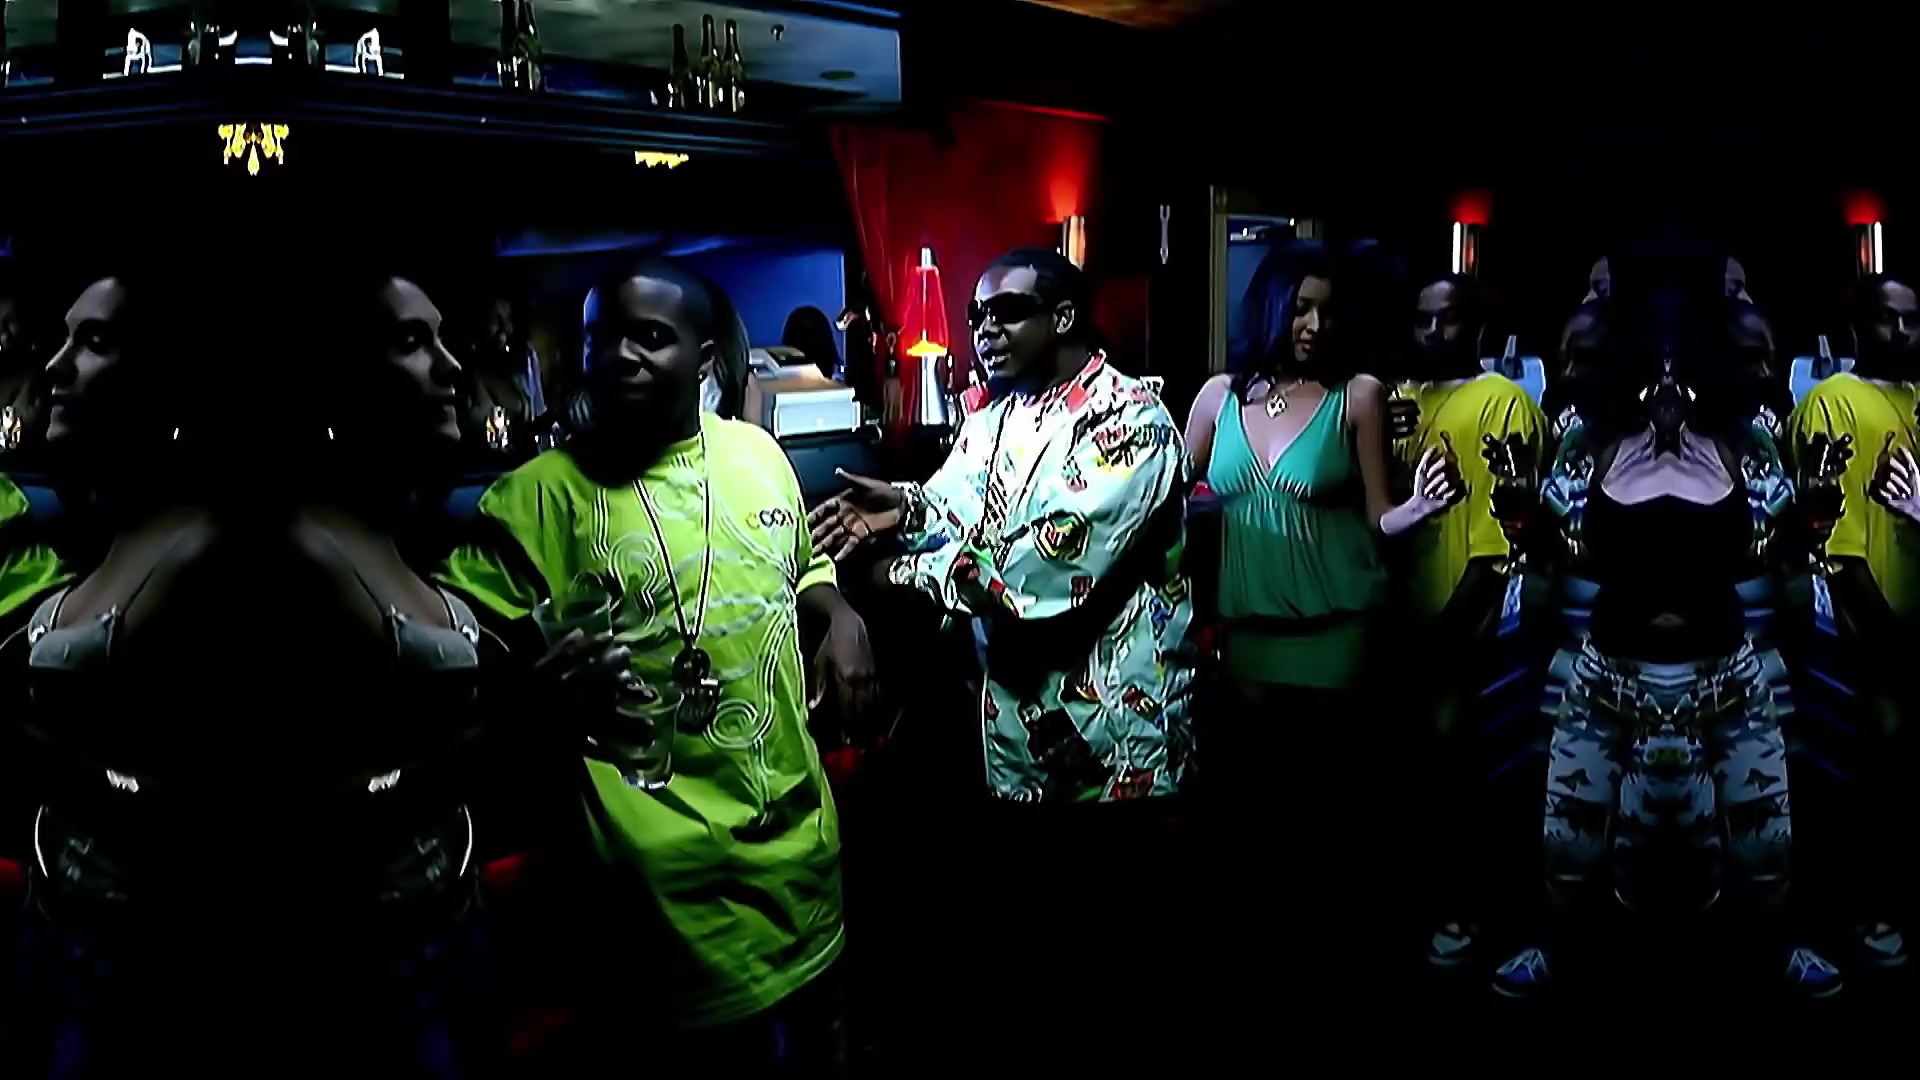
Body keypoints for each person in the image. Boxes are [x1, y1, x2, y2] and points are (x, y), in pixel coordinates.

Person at [8, 261, 531, 1078]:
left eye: (94, 341)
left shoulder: (309, 524)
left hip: (415, 950)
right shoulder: (235, 532)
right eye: (412, 341)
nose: (53, 366)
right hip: (119, 962)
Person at [438, 258, 872, 1076]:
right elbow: (448, 669)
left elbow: (801, 561)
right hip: (656, 913)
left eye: (649, 337)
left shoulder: (756, 454)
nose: (620, 355)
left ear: (703, 360)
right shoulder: (536, 498)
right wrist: (530, 695)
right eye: (600, 338)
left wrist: (838, 611)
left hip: (806, 874)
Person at [808, 247, 1197, 1069]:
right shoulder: (994, 417)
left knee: (1115, 963)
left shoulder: (1131, 419)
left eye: (1007, 312)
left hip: (1110, 745)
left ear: (1063, 317)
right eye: (977, 315)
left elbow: (1038, 572)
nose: (984, 330)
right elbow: (959, 506)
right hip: (1015, 735)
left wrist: (899, 571)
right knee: (1032, 958)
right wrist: (906, 505)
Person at [1492, 253, 1842, 1000]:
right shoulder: (1587, 443)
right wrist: (1525, 520)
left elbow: (1780, 546)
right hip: (1605, 673)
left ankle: (1782, 946)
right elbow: (1553, 545)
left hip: (1728, 674)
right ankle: (1553, 946)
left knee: (1765, 842)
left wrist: (1808, 522)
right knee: (1568, 842)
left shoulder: (1748, 442)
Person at [1182, 240, 1460, 725]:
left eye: (1328, 312)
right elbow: (1169, 497)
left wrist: (1417, 506)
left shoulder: (1357, 395)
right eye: (1301, 309)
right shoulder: (1217, 397)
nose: (1316, 325)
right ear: (1270, 307)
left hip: (1336, 628)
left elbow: (1379, 517)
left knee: (1321, 764)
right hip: (1245, 629)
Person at [1390, 273, 1548, 969]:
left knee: (1465, 773)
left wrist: (1450, 633)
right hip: (1399, 619)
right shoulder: (1399, 399)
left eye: (1447, 319)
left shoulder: (1502, 403)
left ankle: (1474, 913)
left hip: (1470, 623)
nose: (1432, 332)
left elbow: (1501, 538)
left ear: (1475, 325)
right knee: (1416, 779)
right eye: (1422, 319)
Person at [1784, 272, 1920, 972]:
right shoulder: (1835, 401)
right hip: (1862, 637)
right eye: (1888, 318)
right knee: (1863, 774)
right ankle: (1856, 914)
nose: (1902, 331)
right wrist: (1888, 647)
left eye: (1912, 319)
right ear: (1858, 326)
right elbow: (1836, 550)